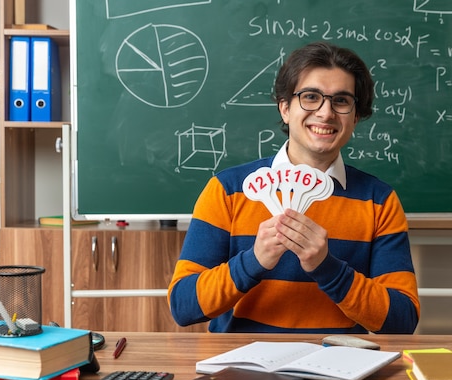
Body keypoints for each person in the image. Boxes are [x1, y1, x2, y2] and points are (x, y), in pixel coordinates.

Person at [168, 42, 420, 334]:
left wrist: (327, 267)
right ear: (285, 108)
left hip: (343, 368)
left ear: (356, 117)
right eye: (310, 97)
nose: (326, 113)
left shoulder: (379, 201)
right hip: (244, 368)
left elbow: (402, 320)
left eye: (341, 101)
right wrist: (254, 260)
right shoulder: (227, 190)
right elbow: (183, 306)